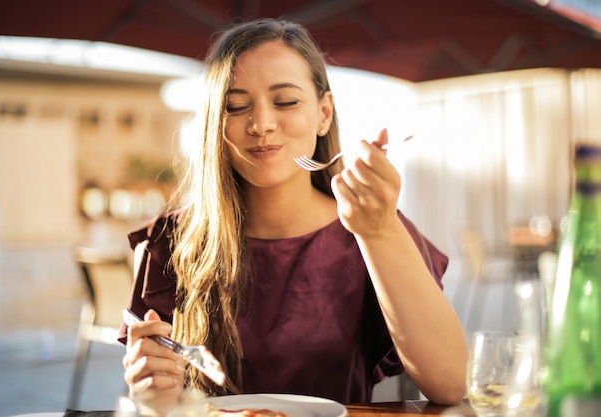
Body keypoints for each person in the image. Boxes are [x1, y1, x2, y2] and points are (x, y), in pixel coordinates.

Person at [120, 17, 468, 416]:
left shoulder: (371, 228)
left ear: (323, 113)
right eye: (235, 106)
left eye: (285, 101)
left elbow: (449, 384)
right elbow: (158, 399)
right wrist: (151, 390)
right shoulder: (170, 242)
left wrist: (380, 231)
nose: (261, 124)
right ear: (215, 124)